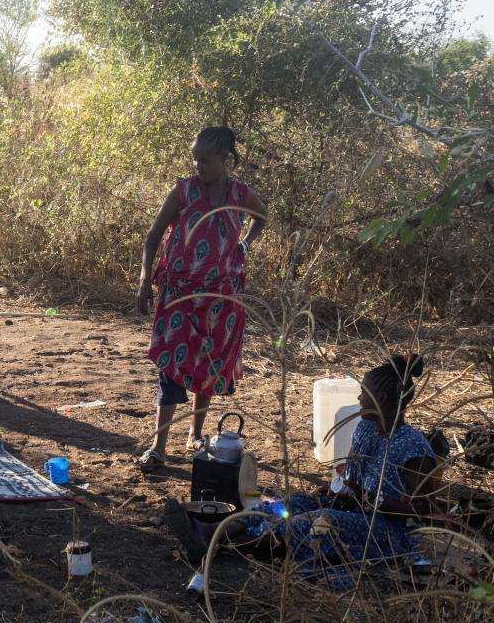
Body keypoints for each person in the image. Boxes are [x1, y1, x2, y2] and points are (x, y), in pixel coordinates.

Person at [234, 355, 439, 589]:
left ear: (381, 398)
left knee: (318, 522)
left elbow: (424, 509)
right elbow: (354, 481)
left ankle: (227, 542)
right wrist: (342, 495)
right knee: (294, 503)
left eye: (364, 392)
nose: (360, 398)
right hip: (355, 511)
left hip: (388, 533)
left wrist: (373, 500)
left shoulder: (414, 448)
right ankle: (217, 528)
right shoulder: (365, 428)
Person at [135, 126, 267, 470]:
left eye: (204, 160)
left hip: (221, 298)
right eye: (195, 159)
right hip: (178, 296)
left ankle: (195, 433)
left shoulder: (240, 194)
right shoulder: (183, 191)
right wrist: (145, 278)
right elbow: (153, 235)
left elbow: (262, 216)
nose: (198, 165)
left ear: (224, 159)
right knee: (171, 366)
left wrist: (245, 244)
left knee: (207, 366)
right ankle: (159, 445)